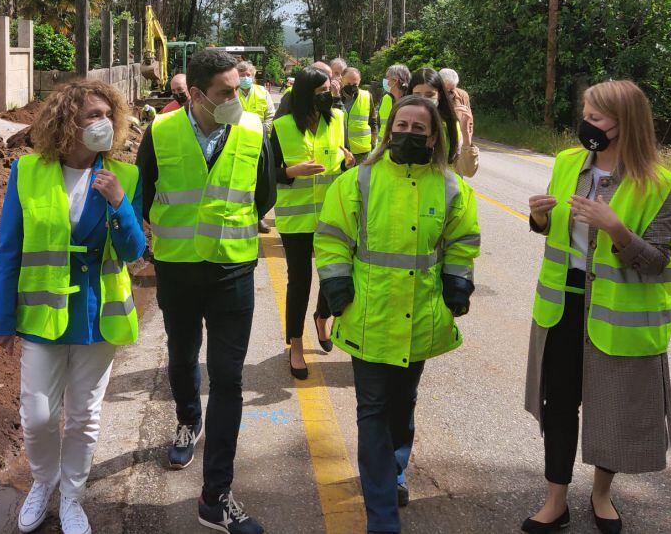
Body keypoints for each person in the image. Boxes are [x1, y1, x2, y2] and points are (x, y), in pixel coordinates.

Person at [522, 80, 671, 534]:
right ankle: (555, 501)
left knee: (607, 408)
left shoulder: (660, 185)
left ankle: (601, 495)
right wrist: (538, 217)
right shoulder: (567, 163)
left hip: (615, 318)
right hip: (563, 305)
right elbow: (552, 229)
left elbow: (655, 261)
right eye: (586, 114)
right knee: (558, 406)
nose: (586, 124)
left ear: (624, 124)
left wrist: (616, 229)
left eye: (596, 118)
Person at [315, 95, 480, 534]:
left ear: (434, 137)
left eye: (418, 128)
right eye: (400, 125)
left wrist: (457, 283)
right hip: (368, 314)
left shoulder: (450, 187)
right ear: (389, 130)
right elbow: (331, 237)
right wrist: (336, 288)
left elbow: (463, 240)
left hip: (420, 317)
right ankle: (382, 515)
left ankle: (396, 468)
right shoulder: (359, 180)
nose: (408, 133)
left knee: (402, 405)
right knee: (371, 411)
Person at [0, 79, 145, 534]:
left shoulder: (125, 176)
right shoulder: (28, 171)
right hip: (42, 314)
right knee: (37, 416)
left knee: (84, 417)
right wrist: (2, 320)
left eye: (106, 115)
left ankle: (73, 497)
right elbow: (8, 250)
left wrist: (119, 204)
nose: (102, 124)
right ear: (64, 124)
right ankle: (43, 482)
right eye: (90, 116)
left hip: (99, 316)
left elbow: (133, 250)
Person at [136, 49, 276, 534]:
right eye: (225, 93)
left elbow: (265, 195)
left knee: (229, 379)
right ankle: (186, 420)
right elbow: (143, 194)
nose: (235, 99)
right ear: (196, 95)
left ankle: (215, 495)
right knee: (181, 357)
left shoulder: (256, 130)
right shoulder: (160, 132)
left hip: (232, 272)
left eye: (238, 89)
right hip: (177, 271)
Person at [271, 66, 353, 380]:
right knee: (300, 280)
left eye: (327, 92)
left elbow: (341, 163)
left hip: (333, 216)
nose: (326, 98)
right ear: (305, 95)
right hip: (297, 219)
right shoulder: (281, 127)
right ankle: (295, 344)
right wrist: (292, 172)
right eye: (319, 94)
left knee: (333, 273)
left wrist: (348, 164)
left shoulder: (338, 121)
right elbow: (269, 173)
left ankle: (322, 317)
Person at [407, 68, 478, 178]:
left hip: (444, 188)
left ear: (439, 94)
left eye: (429, 95)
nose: (423, 100)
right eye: (417, 94)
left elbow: (467, 171)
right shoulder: (402, 122)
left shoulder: (451, 125)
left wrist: (466, 138)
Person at [236, 60, 276, 234]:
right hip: (236, 143)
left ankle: (259, 216)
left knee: (260, 182)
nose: (245, 78)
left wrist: (259, 131)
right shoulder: (231, 93)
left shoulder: (262, 92)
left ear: (253, 76)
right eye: (241, 75)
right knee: (240, 182)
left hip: (260, 142)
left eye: (248, 75)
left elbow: (270, 116)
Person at [341, 67, 376, 164]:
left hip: (361, 152)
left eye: (355, 84)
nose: (351, 86)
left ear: (359, 81)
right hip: (340, 150)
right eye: (348, 84)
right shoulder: (334, 97)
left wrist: (373, 143)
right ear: (341, 79)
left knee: (361, 178)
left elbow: (373, 122)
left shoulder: (367, 96)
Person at [377, 64, 411, 143]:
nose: (385, 80)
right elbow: (379, 124)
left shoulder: (410, 102)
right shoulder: (385, 98)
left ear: (395, 81)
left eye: (387, 77)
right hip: (382, 150)